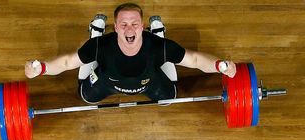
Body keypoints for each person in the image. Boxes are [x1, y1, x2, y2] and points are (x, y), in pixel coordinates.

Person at [25, 2, 236, 104]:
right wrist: (40, 69)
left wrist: (221, 66)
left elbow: (196, 59)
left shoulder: (158, 47)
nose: (129, 29)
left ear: (142, 26)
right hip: (105, 82)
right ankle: (95, 32)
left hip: (151, 82)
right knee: (86, 97)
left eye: (134, 23)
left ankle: (159, 32)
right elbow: (66, 62)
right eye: (123, 24)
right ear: (115, 27)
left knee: (169, 98)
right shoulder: (101, 46)